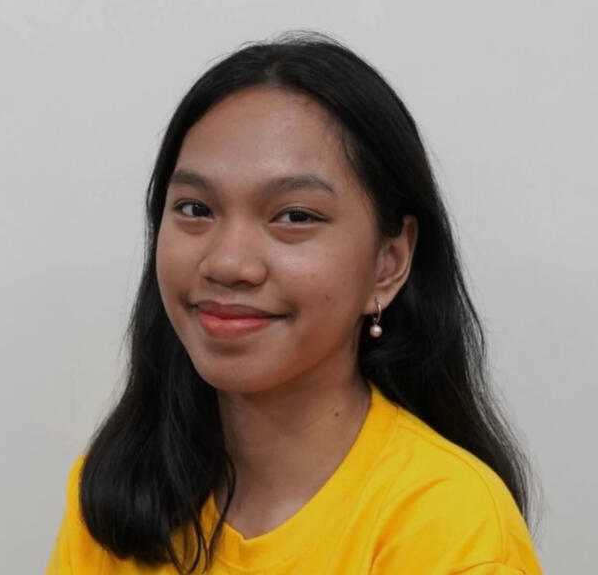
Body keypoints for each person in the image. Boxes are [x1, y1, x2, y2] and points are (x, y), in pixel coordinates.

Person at [46, 30, 545, 574]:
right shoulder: (114, 495)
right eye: (195, 208)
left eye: (295, 216)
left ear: (389, 262)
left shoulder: (449, 527)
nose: (227, 263)